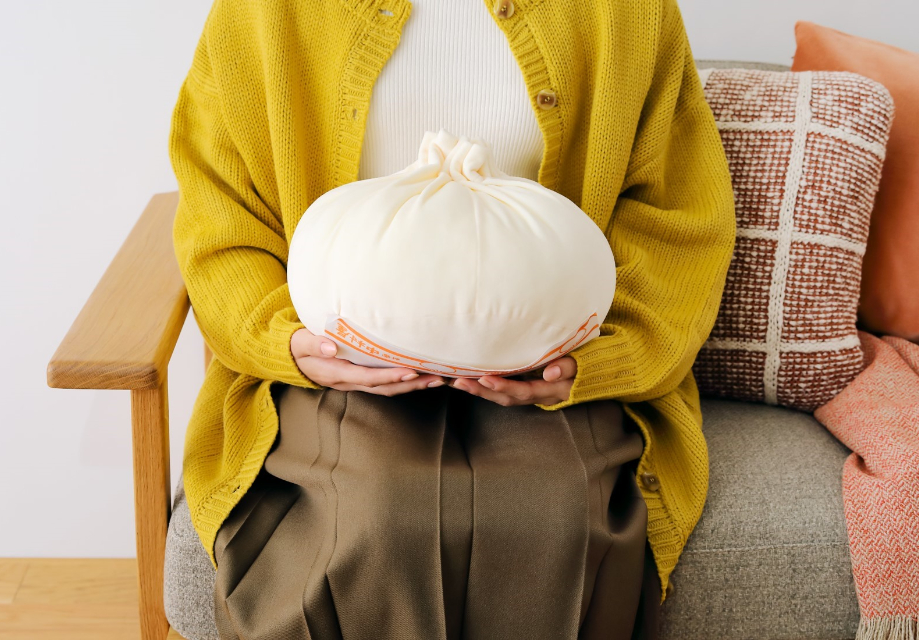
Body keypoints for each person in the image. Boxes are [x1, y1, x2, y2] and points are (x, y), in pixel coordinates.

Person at [168, 0, 737, 638]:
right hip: (340, 362)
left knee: (555, 513)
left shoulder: (628, 13)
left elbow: (675, 217)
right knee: (377, 516)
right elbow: (222, 217)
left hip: (547, 356)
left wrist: (591, 362)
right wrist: (290, 343)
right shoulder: (263, 13)